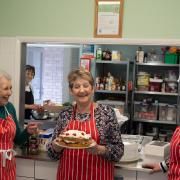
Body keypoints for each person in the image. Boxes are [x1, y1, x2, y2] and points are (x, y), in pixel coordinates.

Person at [47, 68, 124, 180]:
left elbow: (118, 152)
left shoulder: (106, 113)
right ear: (71, 90)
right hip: (68, 176)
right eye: (77, 86)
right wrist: (55, 147)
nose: (82, 90)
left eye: (85, 85)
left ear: (93, 88)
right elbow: (52, 155)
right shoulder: (65, 115)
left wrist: (99, 149)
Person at [0, 69, 39, 180]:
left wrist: (27, 132)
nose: (10, 93)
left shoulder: (10, 107)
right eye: (5, 89)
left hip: (8, 167)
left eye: (10, 88)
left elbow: (18, 139)